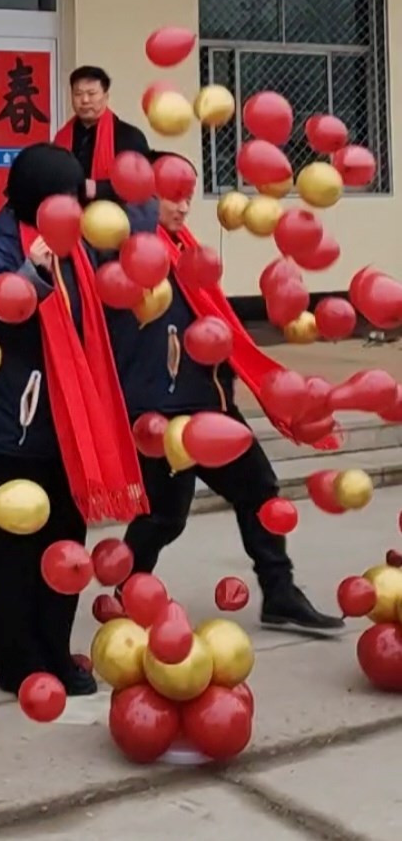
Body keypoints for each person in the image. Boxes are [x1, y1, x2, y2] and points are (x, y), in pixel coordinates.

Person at [112, 151, 343, 634]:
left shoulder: (184, 246)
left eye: (188, 197)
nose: (183, 207)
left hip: (210, 403)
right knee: (165, 516)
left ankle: (279, 592)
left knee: (258, 489)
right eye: (172, 196)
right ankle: (129, 588)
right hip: (161, 413)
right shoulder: (128, 249)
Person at [0, 143, 148, 697]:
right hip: (17, 430)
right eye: (63, 197)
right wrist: (32, 273)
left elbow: (139, 218)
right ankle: (18, 663)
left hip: (73, 429)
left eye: (76, 197)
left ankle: (54, 648)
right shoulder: (2, 252)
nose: (74, 207)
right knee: (15, 556)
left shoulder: (79, 249)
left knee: (66, 546)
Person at [55, 66, 150, 203]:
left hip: (113, 214)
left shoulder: (129, 136)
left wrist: (98, 189)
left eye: (91, 93)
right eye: (78, 94)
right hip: (68, 213)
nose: (85, 100)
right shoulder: (61, 137)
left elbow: (141, 186)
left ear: (106, 97)